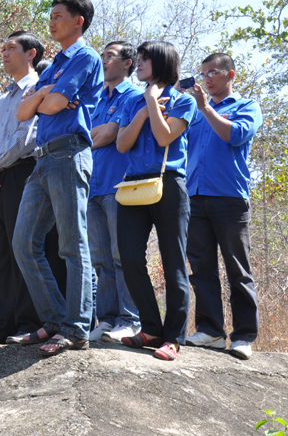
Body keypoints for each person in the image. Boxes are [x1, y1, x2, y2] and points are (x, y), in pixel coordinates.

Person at [15, 0, 103, 357]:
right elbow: (23, 112)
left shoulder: (85, 57)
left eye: (58, 16)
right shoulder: (52, 67)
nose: (50, 23)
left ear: (79, 20)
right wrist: (47, 93)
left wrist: (45, 98)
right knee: (23, 242)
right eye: (49, 16)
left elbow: (45, 105)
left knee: (72, 243)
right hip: (42, 159)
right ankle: (53, 320)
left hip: (70, 153)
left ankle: (77, 327)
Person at [0, 31, 67, 347]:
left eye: (10, 47)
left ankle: (30, 321)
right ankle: (2, 323)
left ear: (31, 53)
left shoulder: (38, 90)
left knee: (25, 247)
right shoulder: (1, 101)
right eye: (2, 47)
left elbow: (26, 139)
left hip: (26, 174)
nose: (3, 53)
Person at [115, 40, 197, 361]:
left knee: (173, 261)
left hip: (169, 184)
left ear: (161, 62)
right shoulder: (132, 101)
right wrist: (145, 107)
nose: (138, 63)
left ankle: (174, 337)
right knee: (130, 257)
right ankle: (150, 327)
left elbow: (165, 137)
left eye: (145, 59)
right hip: (134, 186)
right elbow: (122, 144)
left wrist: (152, 101)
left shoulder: (183, 102)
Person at [183, 53, 262, 360]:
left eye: (213, 72)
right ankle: (211, 331)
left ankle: (244, 336)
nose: (207, 78)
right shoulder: (194, 111)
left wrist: (204, 108)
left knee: (237, 268)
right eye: (203, 73)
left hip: (230, 197)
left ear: (231, 75)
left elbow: (234, 134)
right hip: (195, 195)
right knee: (201, 268)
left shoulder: (246, 106)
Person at [87, 41, 142, 343]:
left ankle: (130, 319)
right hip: (91, 186)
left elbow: (110, 133)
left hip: (118, 185)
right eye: (102, 56)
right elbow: (84, 133)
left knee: (122, 255)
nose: (104, 61)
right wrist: (93, 136)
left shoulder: (132, 96)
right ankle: (106, 319)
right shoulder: (95, 99)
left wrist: (92, 136)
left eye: (110, 56)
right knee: (101, 259)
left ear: (128, 63)